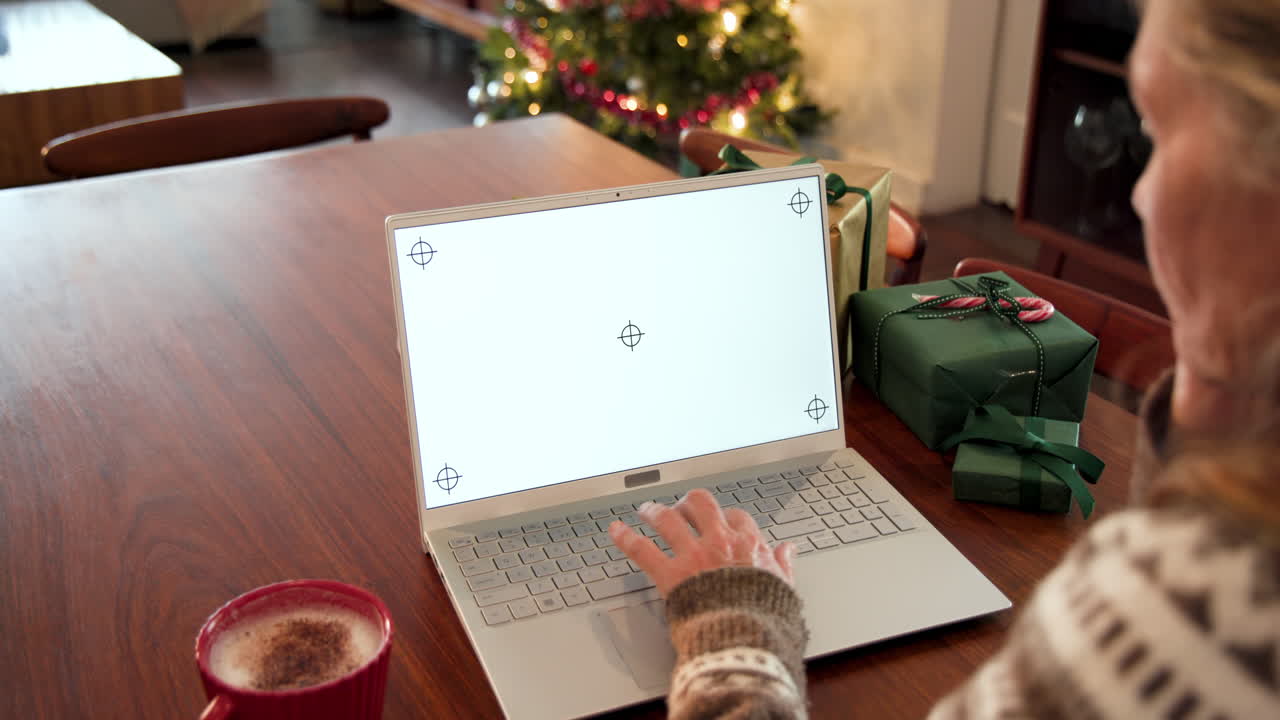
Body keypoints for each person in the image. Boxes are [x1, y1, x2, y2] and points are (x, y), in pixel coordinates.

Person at [609, 1, 1280, 717]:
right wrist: (1224, 388)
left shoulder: (1195, 613)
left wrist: (733, 628)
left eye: (1167, 132)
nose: (1142, 196)